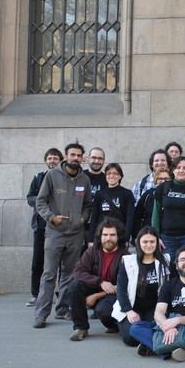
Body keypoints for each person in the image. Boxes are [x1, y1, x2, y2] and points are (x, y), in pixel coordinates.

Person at [34, 142, 92, 328]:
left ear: (82, 158)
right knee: (49, 274)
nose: (75, 158)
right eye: (72, 155)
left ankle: (62, 309)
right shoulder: (52, 175)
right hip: (55, 232)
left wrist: (82, 219)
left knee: (69, 274)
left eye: (78, 155)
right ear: (66, 156)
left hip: (76, 233)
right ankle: (41, 314)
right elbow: (40, 202)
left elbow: (88, 205)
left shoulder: (84, 179)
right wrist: (52, 218)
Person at [129, 246, 185, 361]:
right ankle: (180, 350)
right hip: (168, 324)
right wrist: (167, 328)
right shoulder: (169, 284)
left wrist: (178, 320)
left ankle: (156, 347)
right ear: (177, 264)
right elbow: (159, 311)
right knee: (135, 328)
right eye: (182, 260)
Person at [65, 218, 125, 341]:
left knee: (103, 311)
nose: (108, 238)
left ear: (118, 237)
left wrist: (96, 296)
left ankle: (113, 324)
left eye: (112, 235)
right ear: (100, 236)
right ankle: (81, 328)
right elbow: (78, 272)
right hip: (95, 287)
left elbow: (124, 287)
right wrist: (100, 282)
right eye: (105, 235)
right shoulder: (92, 251)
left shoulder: (125, 257)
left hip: (112, 296)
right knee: (74, 286)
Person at [112, 226, 170, 347]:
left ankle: (150, 345)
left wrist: (161, 312)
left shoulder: (166, 261)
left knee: (157, 329)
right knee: (130, 339)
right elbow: (121, 290)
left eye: (152, 241)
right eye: (145, 241)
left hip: (154, 309)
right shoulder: (128, 262)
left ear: (157, 242)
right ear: (138, 242)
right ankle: (148, 341)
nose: (149, 245)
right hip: (132, 307)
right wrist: (128, 311)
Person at [26, 147, 63, 306]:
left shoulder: (64, 178)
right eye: (50, 158)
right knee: (38, 261)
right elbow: (30, 198)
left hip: (59, 225)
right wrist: (43, 204)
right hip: (41, 225)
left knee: (62, 262)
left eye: (55, 158)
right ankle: (36, 293)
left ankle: (60, 293)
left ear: (60, 160)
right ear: (46, 160)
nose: (52, 161)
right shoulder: (38, 177)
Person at [151, 156, 185, 253]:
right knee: (169, 266)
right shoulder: (162, 188)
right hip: (167, 237)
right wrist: (155, 236)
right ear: (172, 170)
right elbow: (156, 214)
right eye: (178, 167)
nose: (181, 170)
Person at [86, 163, 135, 247]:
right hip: (102, 234)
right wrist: (91, 239)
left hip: (119, 234)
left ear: (120, 176)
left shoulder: (127, 193)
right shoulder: (99, 194)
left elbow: (130, 217)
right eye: (108, 173)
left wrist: (126, 238)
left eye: (115, 173)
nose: (111, 176)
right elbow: (94, 217)